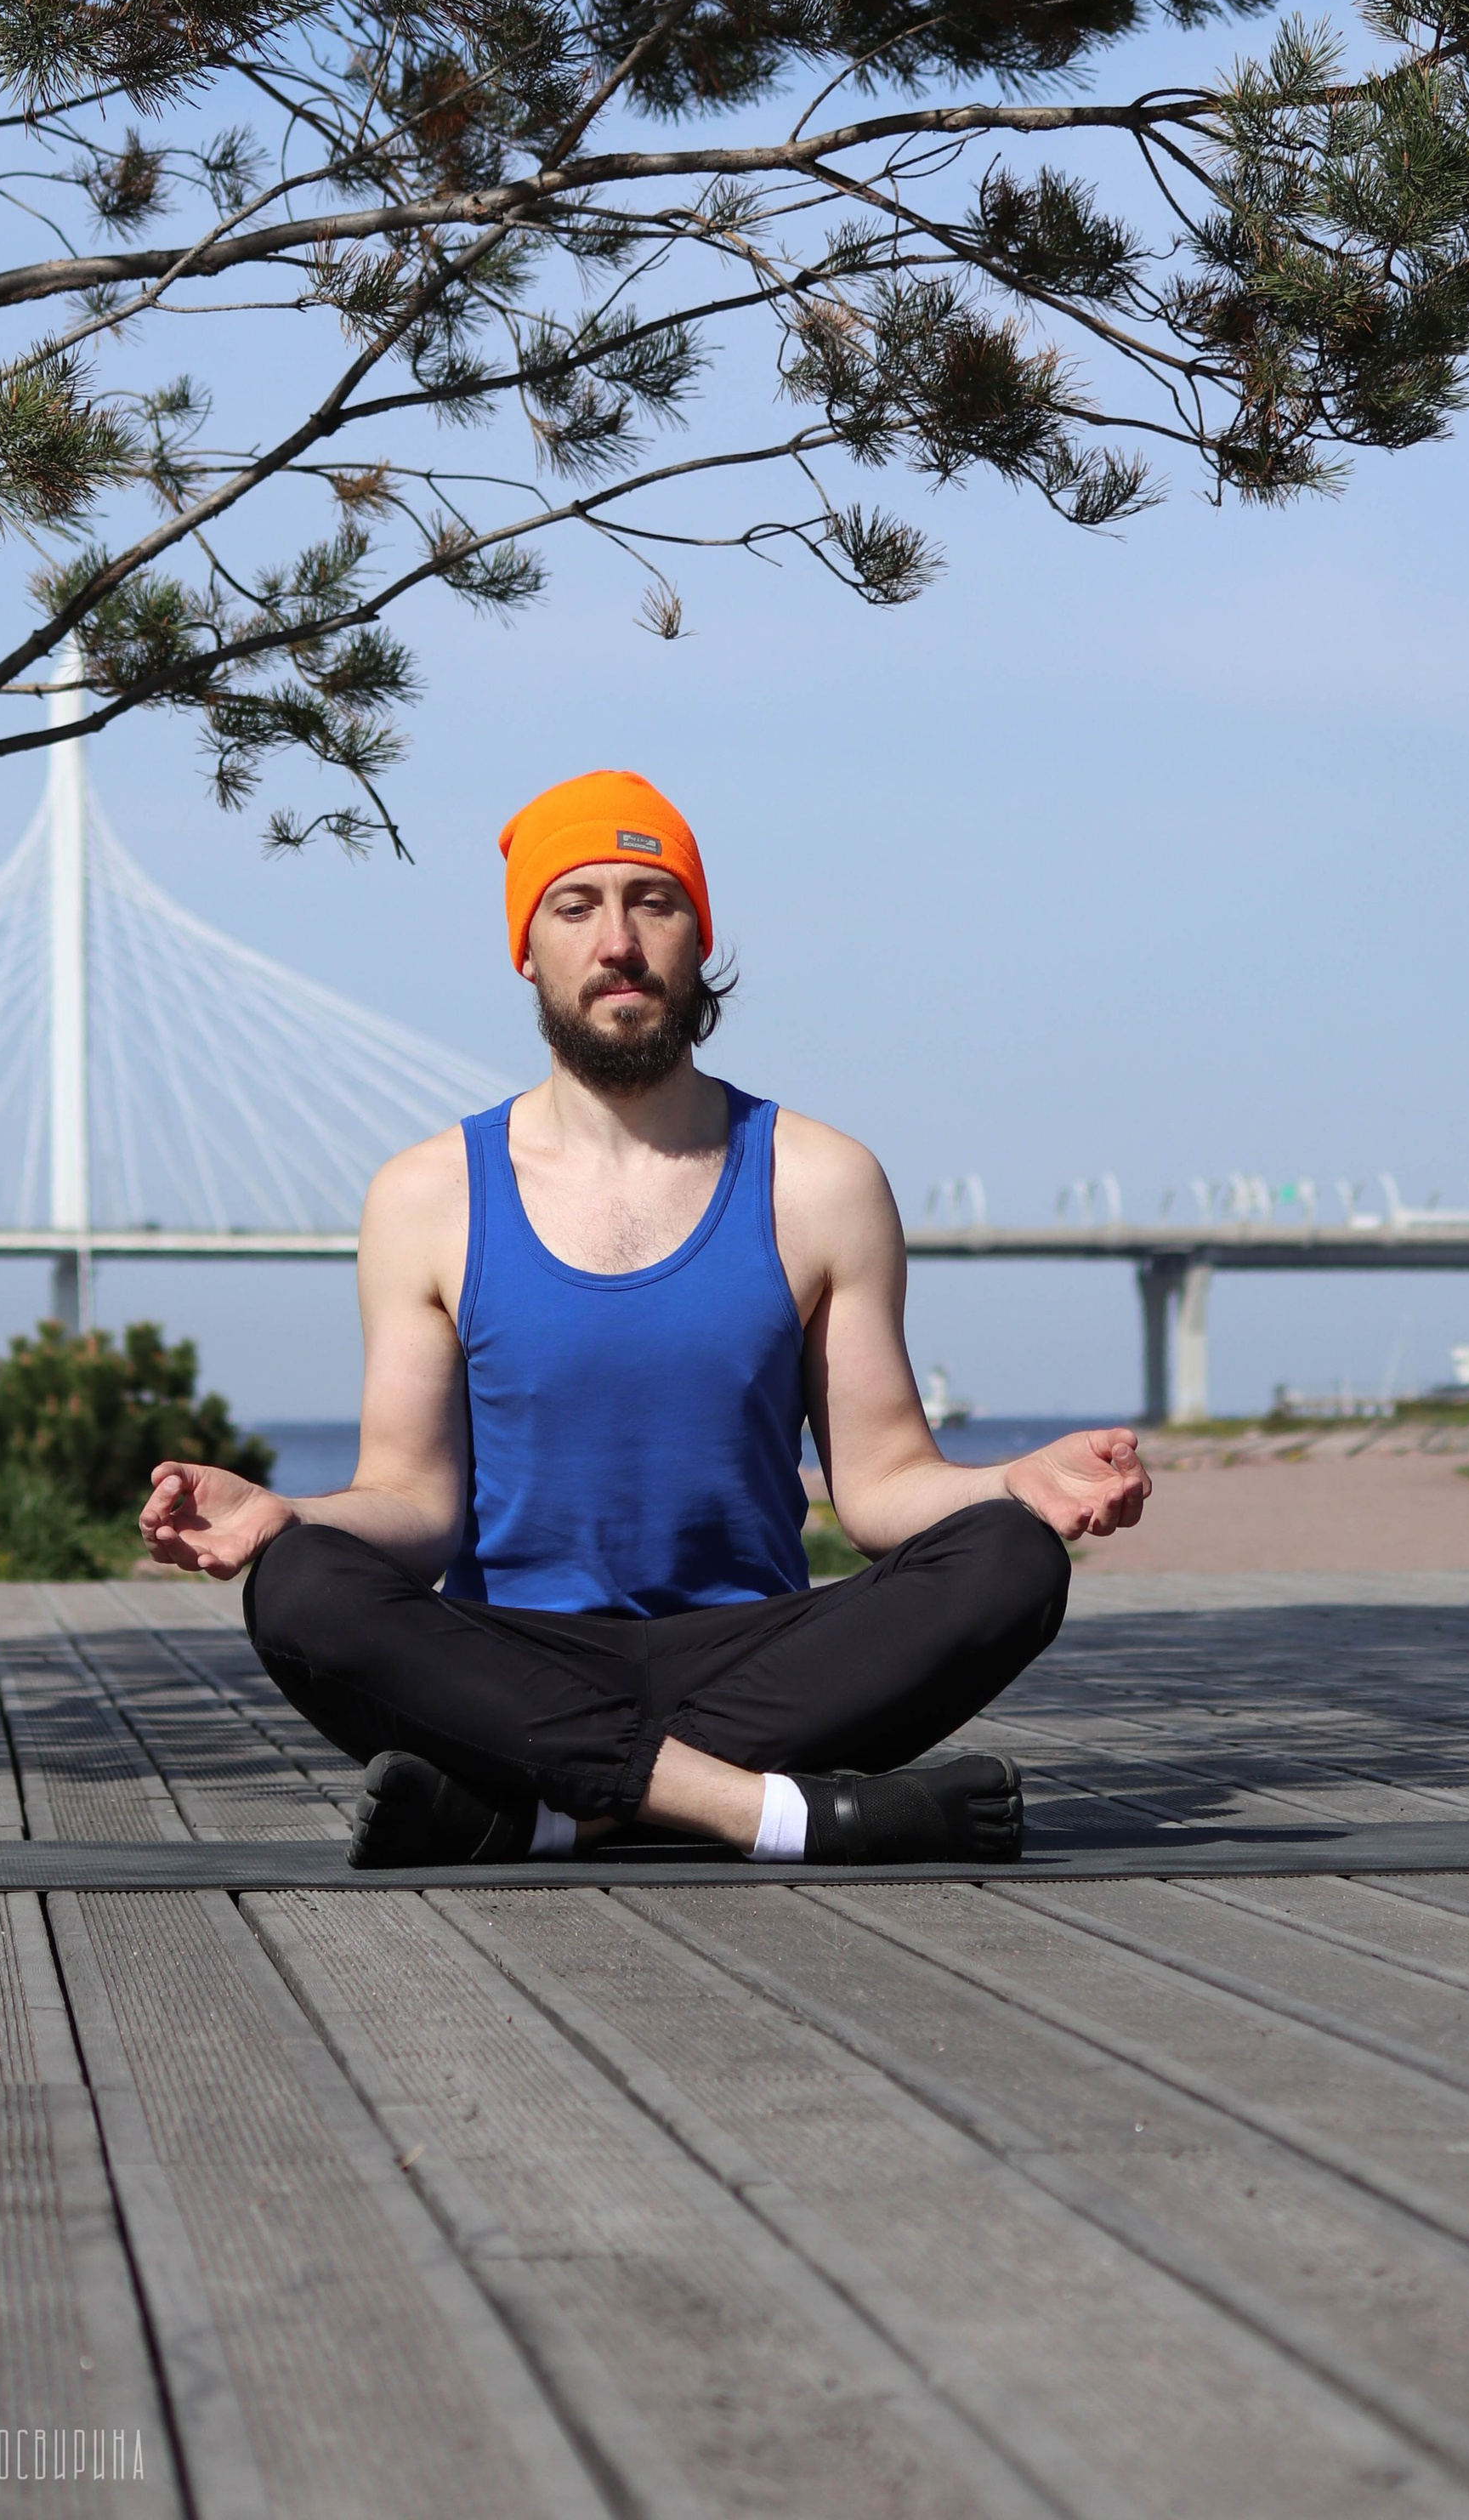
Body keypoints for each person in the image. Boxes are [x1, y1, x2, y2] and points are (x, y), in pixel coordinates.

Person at [139, 769, 1151, 1868]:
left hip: (755, 1659)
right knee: (301, 1582)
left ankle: (544, 1817)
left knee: (1011, 1559)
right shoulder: (429, 1196)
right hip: (510, 1665)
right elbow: (413, 1504)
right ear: (527, 950)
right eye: (576, 906)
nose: (618, 941)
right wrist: (284, 1513)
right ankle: (777, 1816)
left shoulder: (820, 1181)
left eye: (652, 902)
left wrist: (1017, 1483)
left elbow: (882, 1489)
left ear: (697, 935)